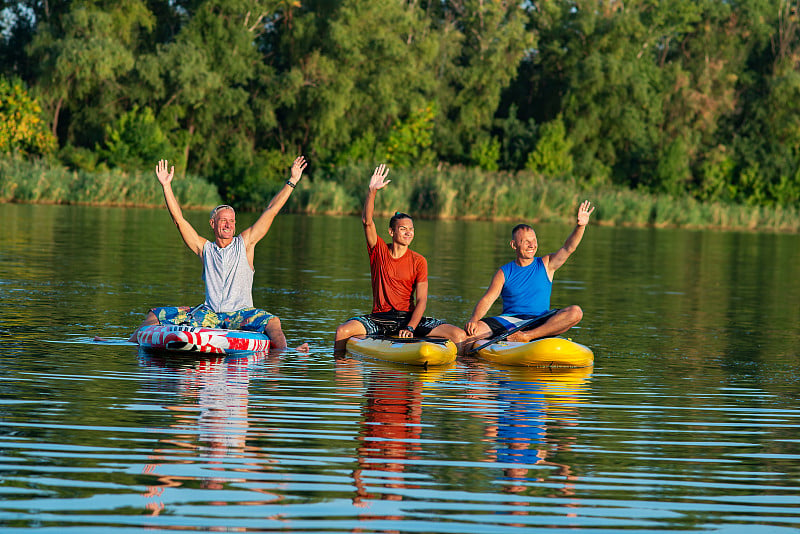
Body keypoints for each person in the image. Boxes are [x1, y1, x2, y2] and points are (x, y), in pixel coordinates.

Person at [130, 156, 308, 350]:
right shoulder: (204, 248)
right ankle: (127, 342)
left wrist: (292, 181)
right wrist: (166, 186)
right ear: (212, 224)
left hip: (241, 314)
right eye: (223, 220)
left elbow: (271, 210)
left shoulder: (246, 243)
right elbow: (179, 220)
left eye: (231, 221)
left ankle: (287, 352)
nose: (228, 225)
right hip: (210, 314)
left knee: (273, 322)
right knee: (155, 314)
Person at [334, 164, 466, 354]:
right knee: (342, 331)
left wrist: (411, 327)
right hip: (380, 318)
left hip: (410, 318)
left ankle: (464, 371)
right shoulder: (378, 250)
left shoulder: (419, 261)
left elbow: (421, 300)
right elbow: (367, 222)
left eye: (411, 229)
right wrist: (372, 191)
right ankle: (340, 363)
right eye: (403, 229)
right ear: (391, 232)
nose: (408, 232)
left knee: (459, 335)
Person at [465, 200, 595, 344]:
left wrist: (580, 226)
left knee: (576, 312)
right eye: (526, 241)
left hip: (541, 320)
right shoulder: (504, 272)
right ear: (514, 245)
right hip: (510, 321)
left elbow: (568, 248)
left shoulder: (546, 263)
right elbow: (488, 299)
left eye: (534, 240)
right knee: (471, 333)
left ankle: (528, 336)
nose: (532, 245)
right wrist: (474, 320)